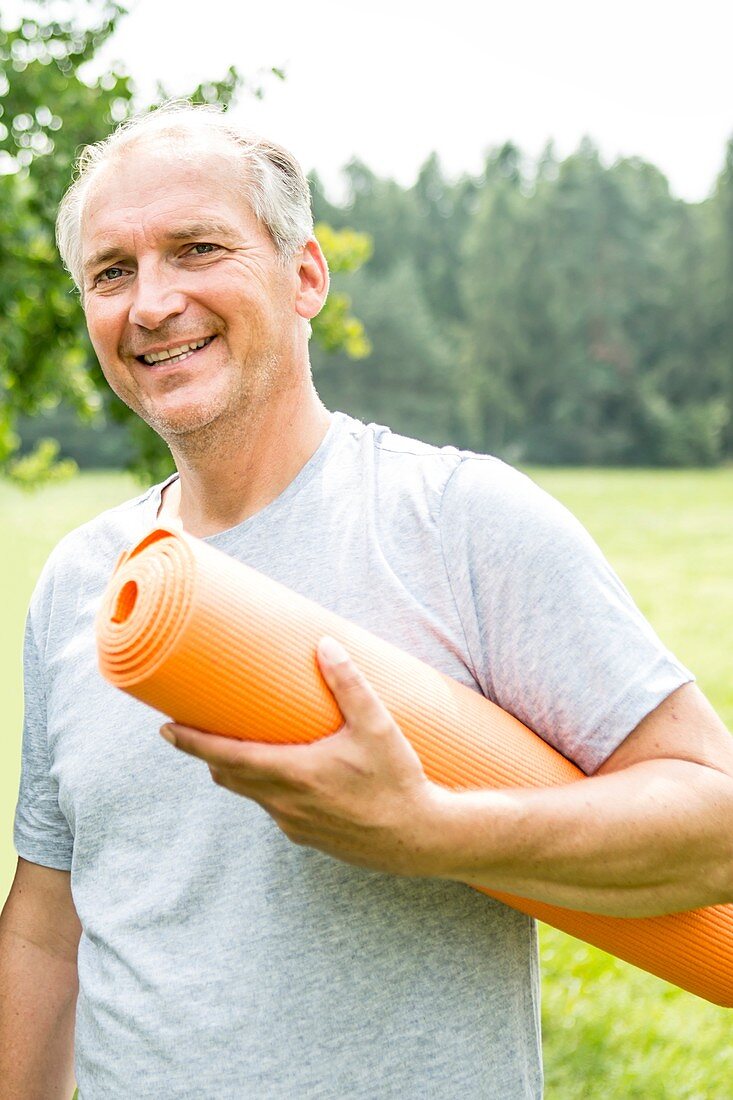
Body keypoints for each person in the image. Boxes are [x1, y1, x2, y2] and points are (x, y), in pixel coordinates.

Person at [1, 102, 732, 1100]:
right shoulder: (82, 583)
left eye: (197, 248)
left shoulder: (459, 520)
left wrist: (432, 832)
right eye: (112, 271)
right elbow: (48, 926)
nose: (152, 302)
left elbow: (714, 819)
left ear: (305, 276)